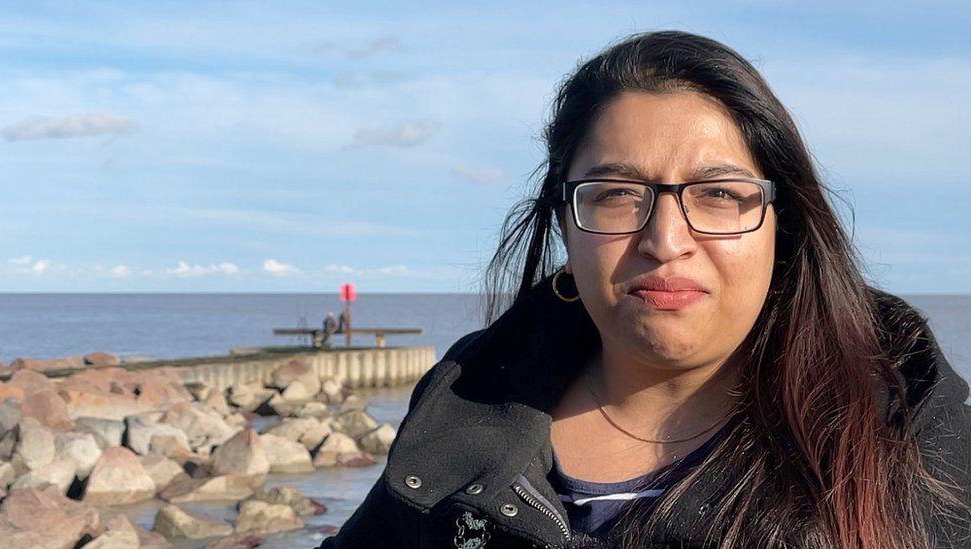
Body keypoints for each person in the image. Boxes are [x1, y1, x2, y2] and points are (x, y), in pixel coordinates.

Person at [319, 30, 970, 548]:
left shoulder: (898, 412)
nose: (665, 239)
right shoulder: (470, 409)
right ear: (564, 227)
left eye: (718, 194)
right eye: (616, 194)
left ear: (783, 227)